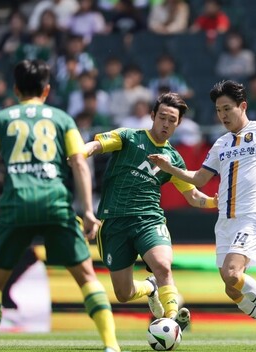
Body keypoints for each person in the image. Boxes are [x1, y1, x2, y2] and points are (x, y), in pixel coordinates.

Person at [0, 59, 136, 352]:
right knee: (86, 277)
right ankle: (112, 349)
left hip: (15, 206)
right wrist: (86, 211)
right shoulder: (60, 117)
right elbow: (79, 162)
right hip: (55, 202)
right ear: (47, 89)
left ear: (15, 89)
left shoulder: (1, 118)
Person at [148, 80, 256, 350]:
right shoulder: (221, 143)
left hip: (252, 216)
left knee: (233, 273)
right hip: (224, 221)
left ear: (242, 106)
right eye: (218, 110)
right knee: (231, 286)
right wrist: (169, 167)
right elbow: (198, 178)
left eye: (227, 109)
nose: (222, 115)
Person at [83, 92, 217, 331]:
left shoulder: (174, 159)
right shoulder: (128, 136)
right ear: (152, 115)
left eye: (172, 120)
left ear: (179, 124)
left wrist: (214, 202)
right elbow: (97, 145)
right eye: (162, 117)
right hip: (114, 222)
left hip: (148, 218)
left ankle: (171, 320)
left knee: (163, 265)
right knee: (124, 293)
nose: (166, 124)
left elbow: (193, 196)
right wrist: (79, 153)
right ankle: (151, 288)